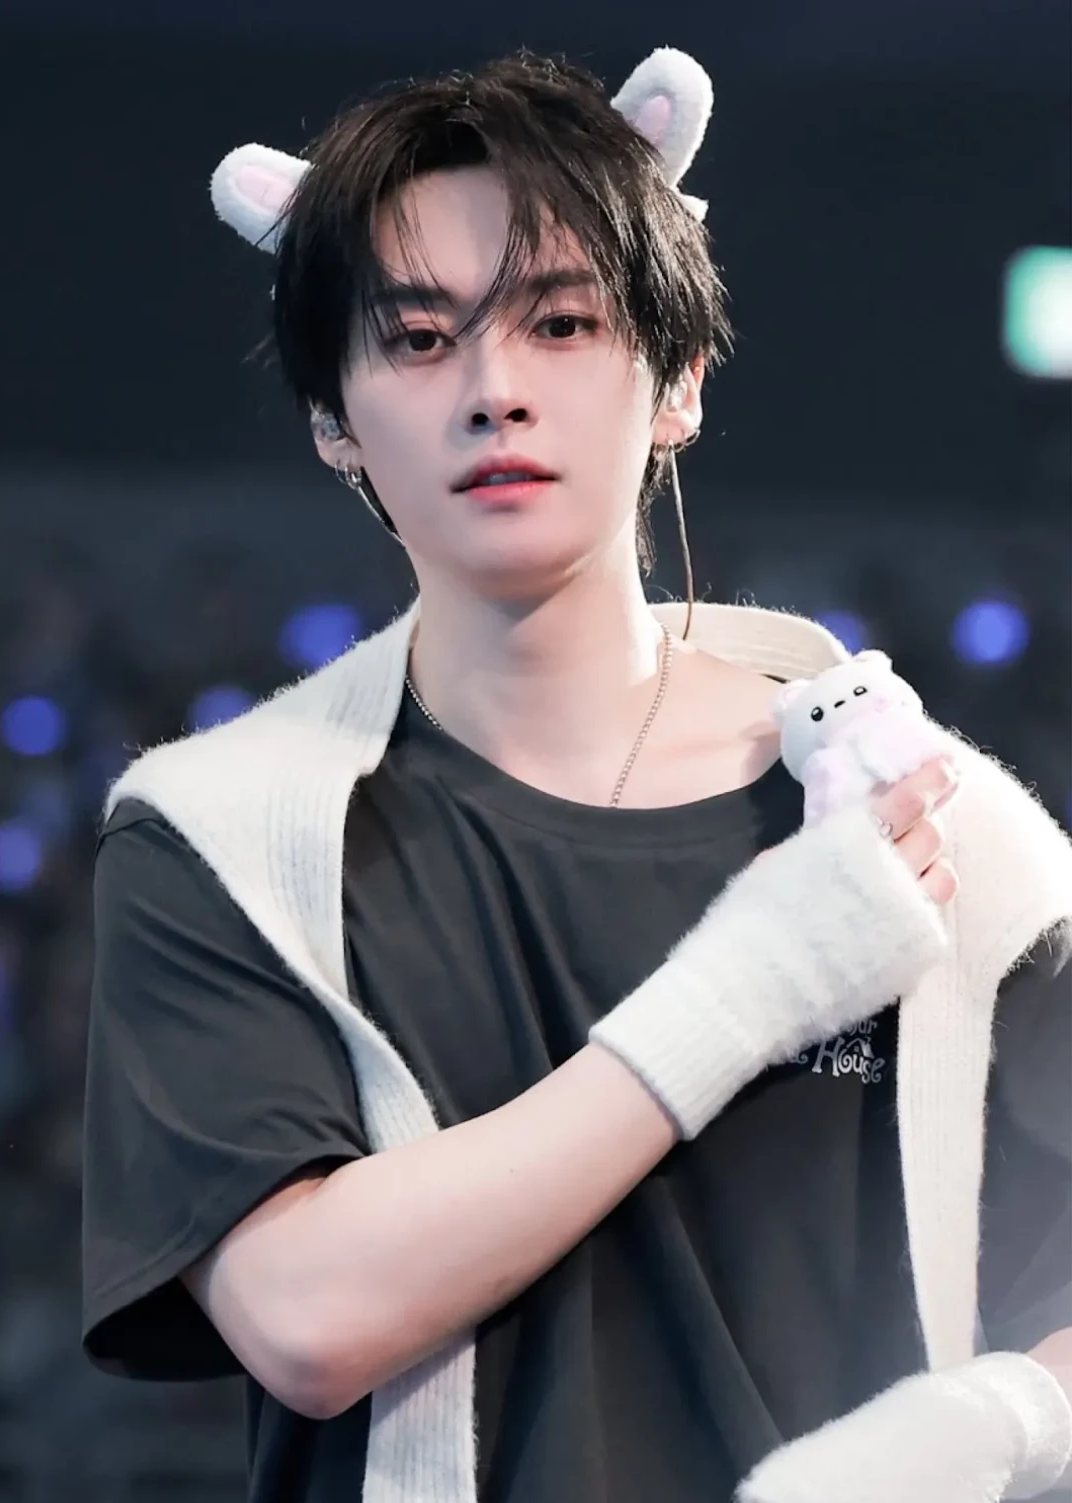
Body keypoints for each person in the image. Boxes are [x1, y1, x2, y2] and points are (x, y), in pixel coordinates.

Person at [80, 48, 1072, 1503]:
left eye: (560, 322)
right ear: (333, 419)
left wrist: (996, 1426)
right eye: (419, 338)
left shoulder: (927, 817)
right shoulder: (221, 839)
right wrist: (759, 980)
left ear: (678, 377)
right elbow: (304, 1318)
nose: (495, 391)